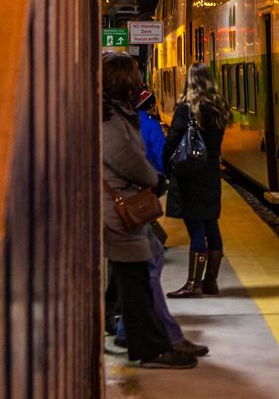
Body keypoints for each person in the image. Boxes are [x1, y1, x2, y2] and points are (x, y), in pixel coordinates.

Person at [101, 51, 196, 369]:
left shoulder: (113, 113)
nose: (140, 81)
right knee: (138, 279)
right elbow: (126, 159)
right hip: (120, 211)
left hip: (121, 210)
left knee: (137, 276)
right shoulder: (110, 119)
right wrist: (154, 178)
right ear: (124, 81)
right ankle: (151, 347)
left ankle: (155, 338)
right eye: (135, 76)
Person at [114, 89, 209, 357]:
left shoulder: (114, 119)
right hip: (126, 209)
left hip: (119, 209)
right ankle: (154, 337)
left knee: (135, 269)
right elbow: (143, 162)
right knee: (149, 264)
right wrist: (157, 180)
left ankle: (137, 331)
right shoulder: (129, 122)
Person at [164, 63, 230, 298]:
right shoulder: (218, 108)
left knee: (195, 230)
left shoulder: (187, 109)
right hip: (211, 175)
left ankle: (193, 283)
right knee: (211, 224)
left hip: (190, 176)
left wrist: (166, 167)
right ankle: (210, 282)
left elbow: (171, 141)